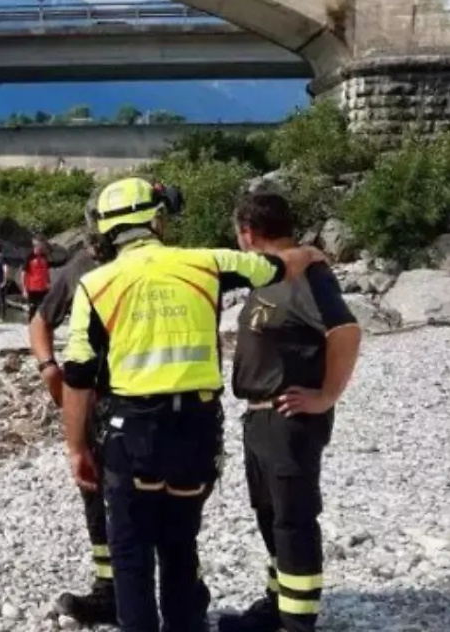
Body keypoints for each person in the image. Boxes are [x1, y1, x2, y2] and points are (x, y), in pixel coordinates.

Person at [61, 176, 328, 632]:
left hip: (132, 431)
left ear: (106, 231)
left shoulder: (95, 285)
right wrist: (310, 254)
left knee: (131, 551)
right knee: (180, 544)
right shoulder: (205, 263)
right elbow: (276, 267)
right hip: (196, 429)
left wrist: (76, 448)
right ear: (157, 221)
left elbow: (78, 378)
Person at [218, 193, 362, 632]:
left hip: (290, 418)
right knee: (268, 514)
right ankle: (277, 603)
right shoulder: (275, 272)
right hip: (259, 415)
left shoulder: (306, 275)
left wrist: (325, 396)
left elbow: (347, 331)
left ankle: (298, 622)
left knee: (293, 519)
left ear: (247, 231)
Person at [29, 235, 119, 625]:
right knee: (96, 495)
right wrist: (49, 368)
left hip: (154, 401)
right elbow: (40, 321)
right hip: (100, 400)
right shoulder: (82, 267)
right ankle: (108, 589)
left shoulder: (160, 263)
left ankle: (181, 594)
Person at [21, 237, 52, 321]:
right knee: (32, 308)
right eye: (40, 245)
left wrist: (49, 282)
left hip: (43, 287)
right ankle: (31, 326)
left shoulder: (44, 257)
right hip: (32, 288)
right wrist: (24, 289)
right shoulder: (29, 257)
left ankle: (43, 327)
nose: (42, 247)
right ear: (36, 246)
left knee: (44, 308)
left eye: (42, 245)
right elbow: (23, 273)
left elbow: (46, 271)